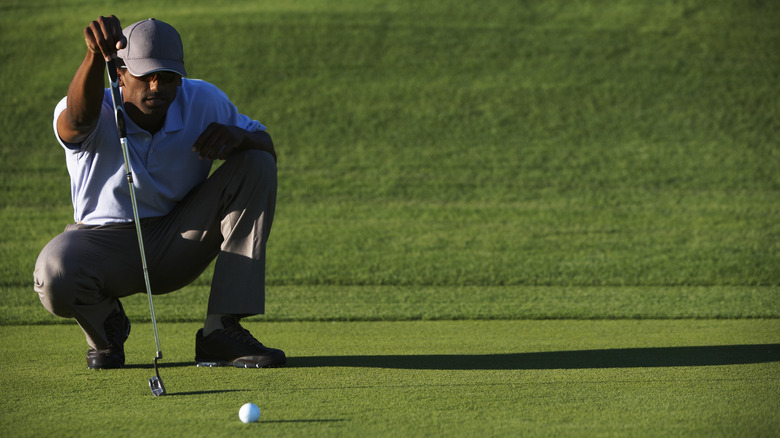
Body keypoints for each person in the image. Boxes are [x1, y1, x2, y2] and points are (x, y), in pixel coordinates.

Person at [33, 15, 285, 369]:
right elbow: (75, 123)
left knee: (257, 163)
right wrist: (93, 56)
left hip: (180, 238)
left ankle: (221, 330)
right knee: (54, 271)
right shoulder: (92, 104)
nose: (157, 86)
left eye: (167, 76)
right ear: (119, 72)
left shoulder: (204, 99)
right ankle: (107, 330)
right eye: (145, 75)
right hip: (103, 248)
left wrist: (241, 138)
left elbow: (266, 145)